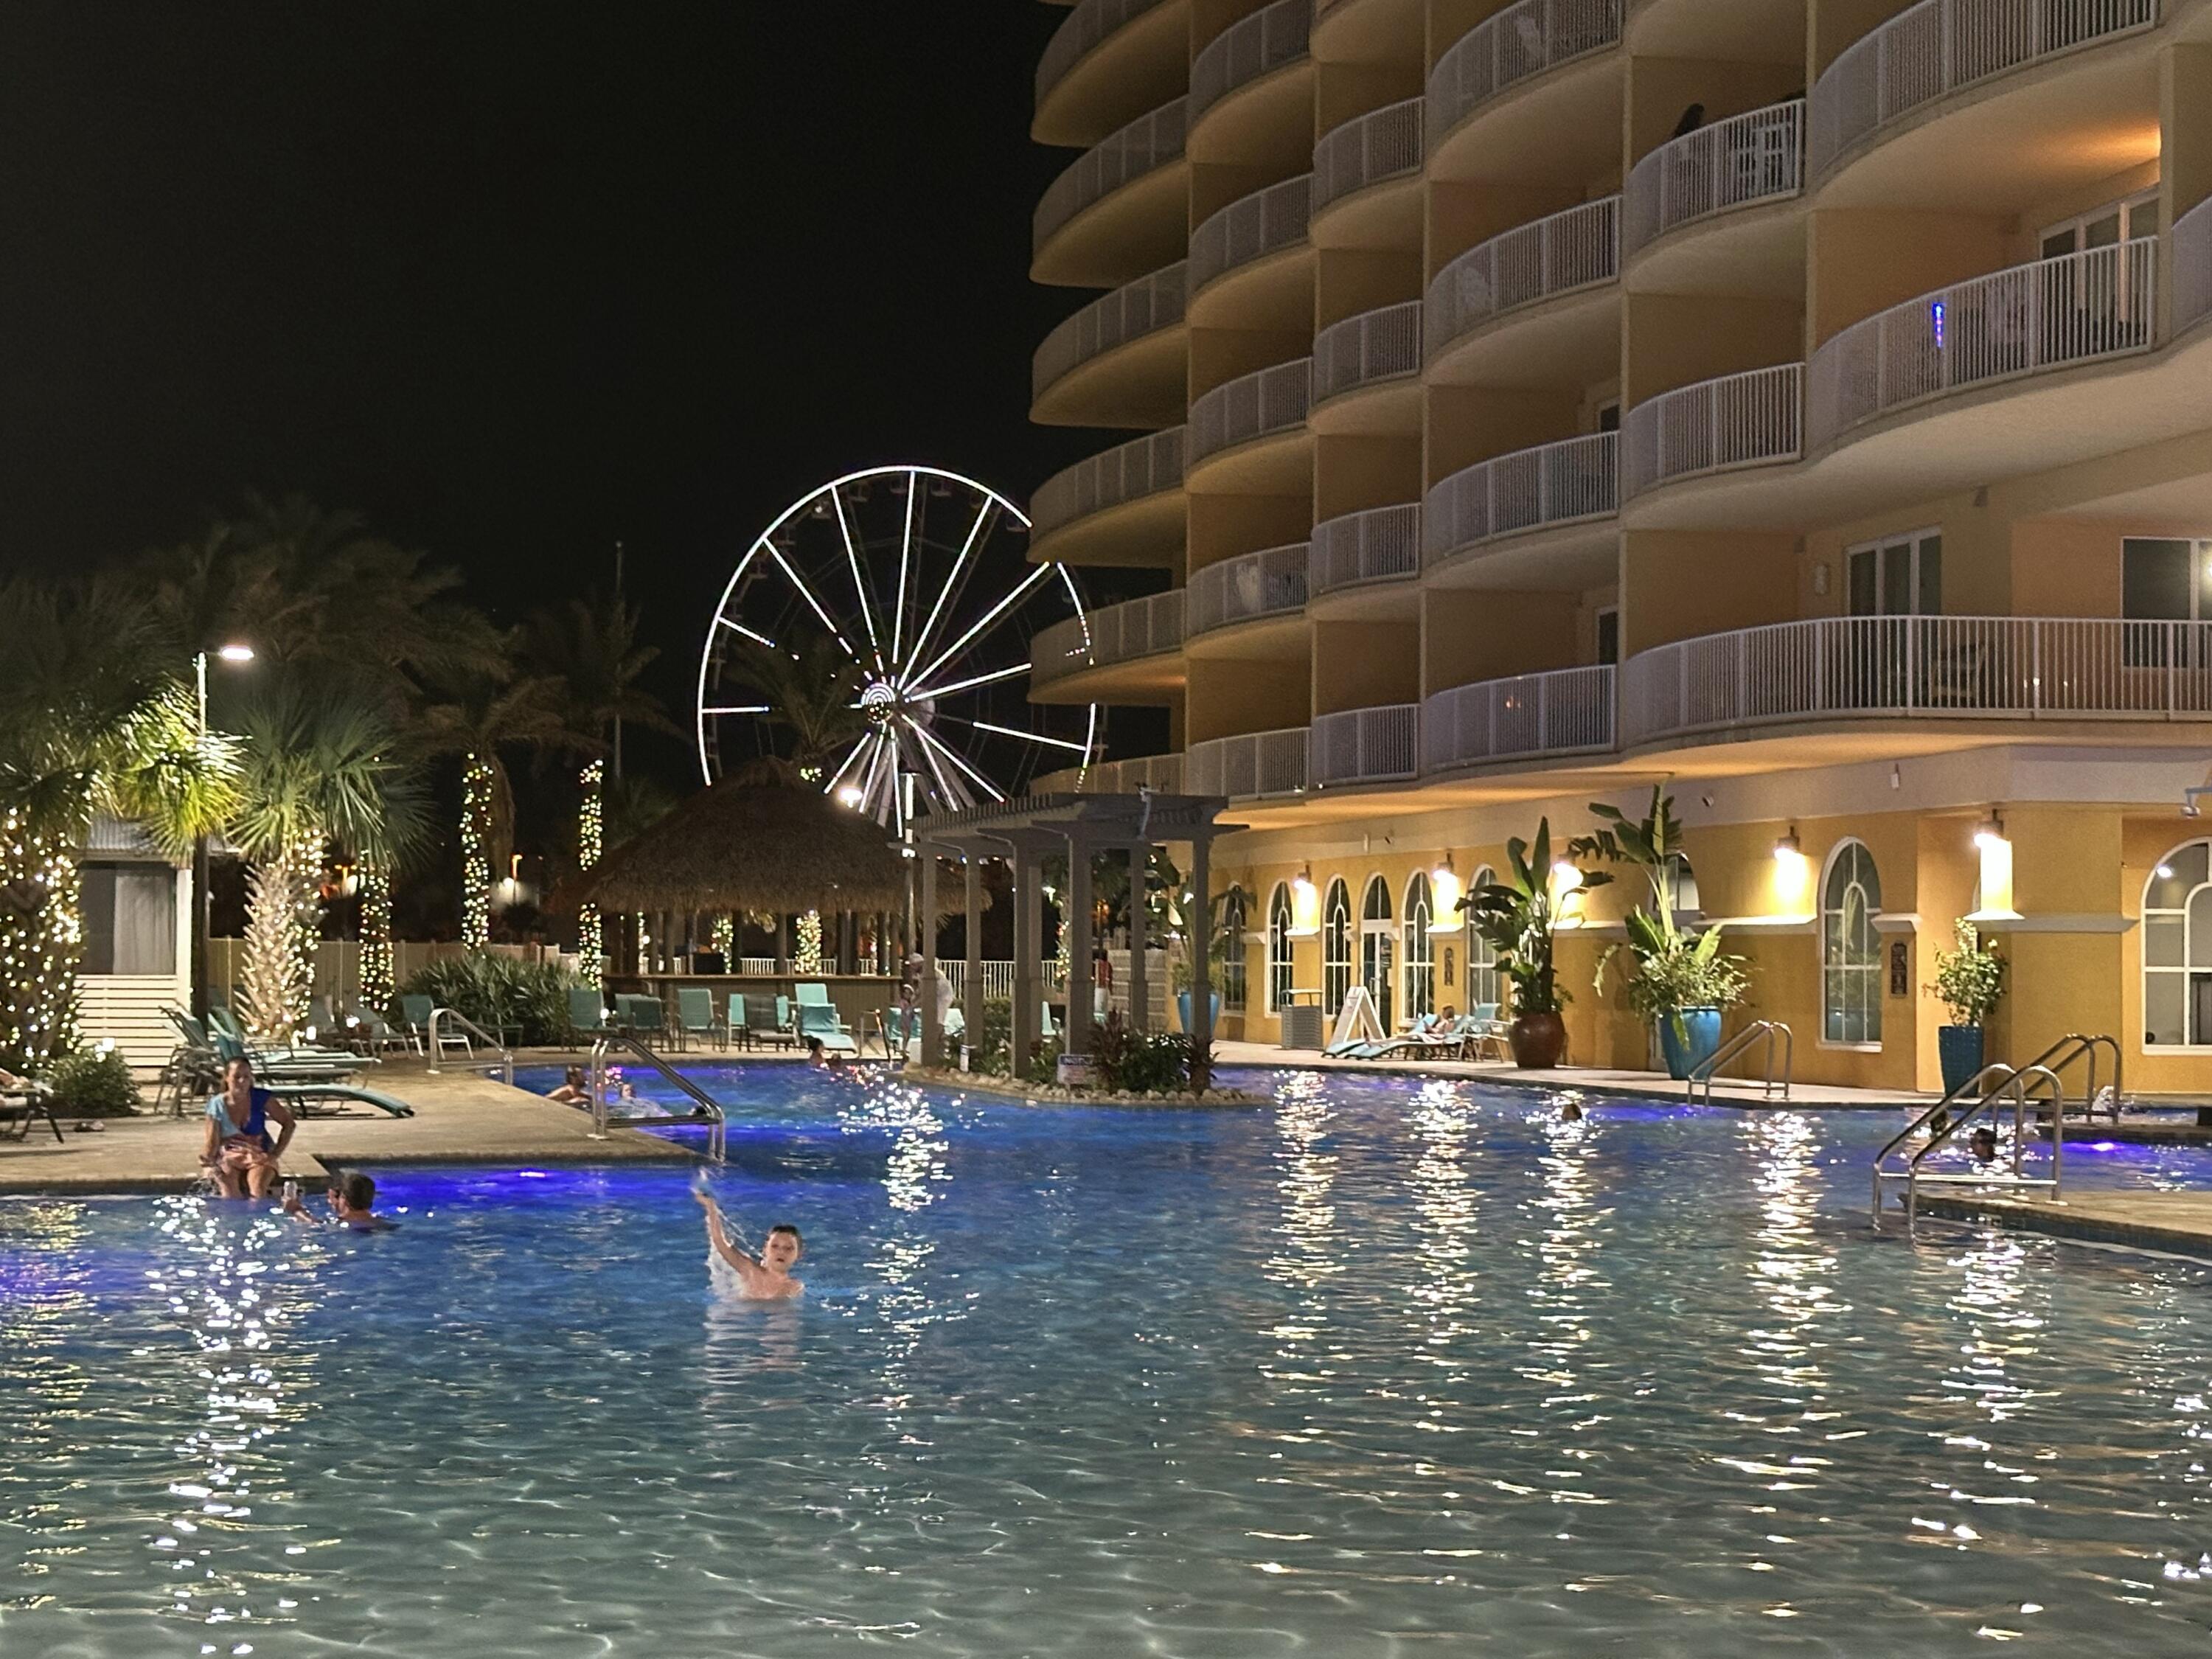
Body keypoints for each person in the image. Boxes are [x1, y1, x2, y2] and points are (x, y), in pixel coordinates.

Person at [201, 1057, 296, 1199]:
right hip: (228, 1156)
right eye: (237, 1077)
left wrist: (275, 1154)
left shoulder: (261, 1098)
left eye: (246, 1076)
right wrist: (208, 1161)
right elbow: (212, 1143)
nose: (242, 1081)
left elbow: (289, 1124)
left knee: (257, 1191)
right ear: (226, 1077)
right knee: (229, 1192)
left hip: (259, 1155)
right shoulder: (216, 1105)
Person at [693, 1185, 803, 1300]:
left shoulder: (794, 1287)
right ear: (765, 1249)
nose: (781, 1252)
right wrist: (711, 1207)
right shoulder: (750, 1271)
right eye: (775, 1246)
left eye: (788, 1248)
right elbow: (720, 1242)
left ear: (799, 1254)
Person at [284, 1169, 396, 1231]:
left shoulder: (335, 1226)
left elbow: (313, 1223)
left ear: (344, 1199)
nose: (330, 1202)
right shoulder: (388, 1226)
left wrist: (295, 1210)